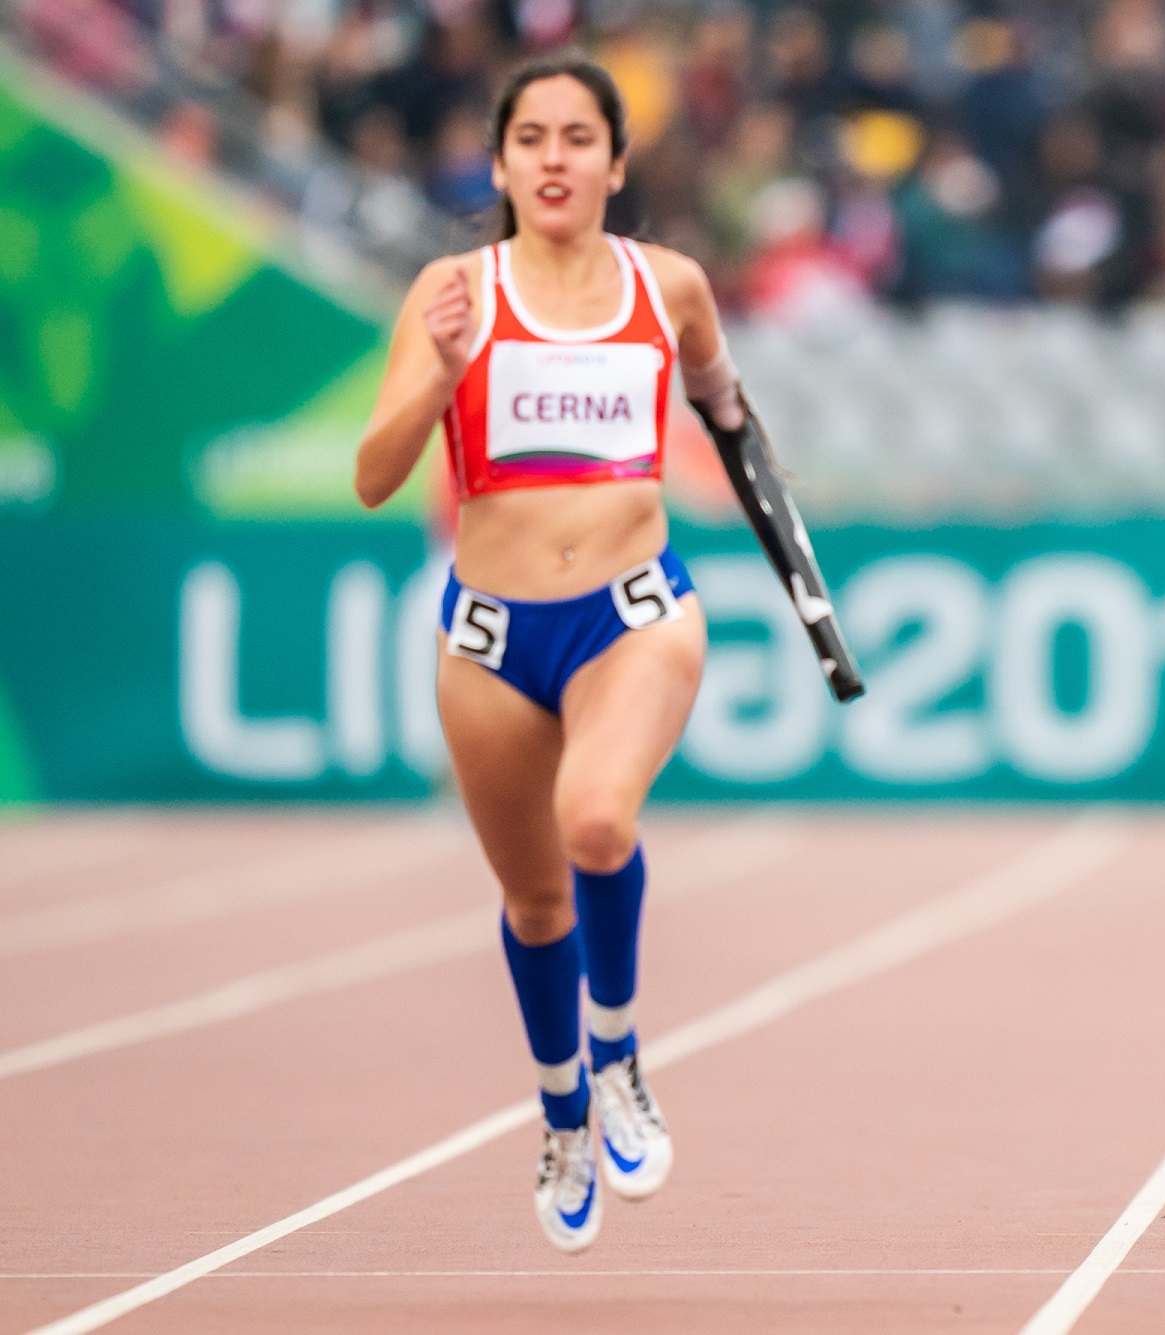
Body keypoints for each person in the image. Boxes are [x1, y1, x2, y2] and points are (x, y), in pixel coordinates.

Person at [353, 54, 751, 1252]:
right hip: (489, 634)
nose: (556, 159)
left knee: (596, 824)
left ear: (616, 164)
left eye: (580, 137)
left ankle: (619, 1047)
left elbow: (728, 412)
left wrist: (756, 468)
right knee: (532, 899)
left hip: (632, 611)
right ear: (500, 163)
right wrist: (439, 370)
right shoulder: (452, 291)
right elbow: (374, 480)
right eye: (532, 138)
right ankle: (563, 1105)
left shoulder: (669, 285)